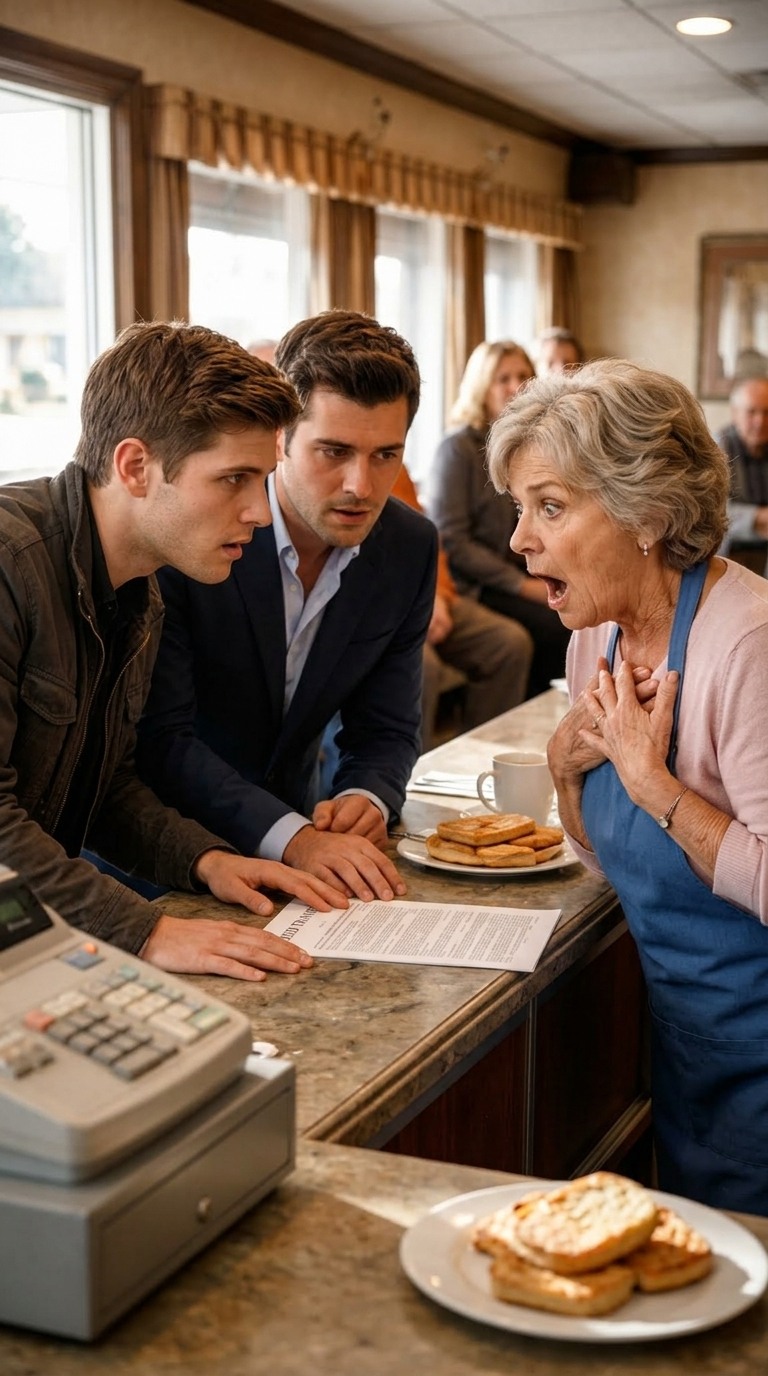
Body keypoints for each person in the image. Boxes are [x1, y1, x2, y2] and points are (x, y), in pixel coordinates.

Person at [487, 357, 768, 1216]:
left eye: (550, 506)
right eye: (518, 509)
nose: (519, 540)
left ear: (644, 510)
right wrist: (571, 779)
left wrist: (652, 783)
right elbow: (607, 864)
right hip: (686, 1039)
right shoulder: (595, 633)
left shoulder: (747, 644)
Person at [0, 320, 351, 983]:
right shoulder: (8, 564)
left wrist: (203, 860)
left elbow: (105, 787)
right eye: (234, 479)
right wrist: (145, 929)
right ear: (135, 466)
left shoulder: (140, 590)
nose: (259, 511)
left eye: (264, 479)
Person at [137, 310, 437, 902]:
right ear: (280, 438)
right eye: (334, 451)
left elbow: (388, 727)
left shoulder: (408, 546)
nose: (361, 485)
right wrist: (293, 837)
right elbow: (163, 741)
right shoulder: (192, 532)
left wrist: (367, 798)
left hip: (307, 859)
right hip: (163, 861)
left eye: (385, 455)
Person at [429, 339, 571, 697]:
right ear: (481, 387)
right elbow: (454, 542)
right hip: (475, 585)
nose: (515, 386)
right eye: (502, 378)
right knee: (552, 627)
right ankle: (522, 729)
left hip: (522, 574)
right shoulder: (457, 448)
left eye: (523, 375)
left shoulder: (529, 447)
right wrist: (524, 587)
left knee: (579, 615)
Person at [390, 464, 533, 751]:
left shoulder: (396, 468)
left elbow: (426, 540)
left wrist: (437, 594)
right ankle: (409, 779)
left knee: (508, 643)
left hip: (423, 593)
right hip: (385, 607)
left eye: (385, 453)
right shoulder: (458, 451)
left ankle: (480, 758)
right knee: (419, 666)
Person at [716, 375, 768, 566]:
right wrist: (758, 517)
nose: (760, 421)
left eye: (767, 412)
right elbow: (710, 513)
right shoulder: (716, 448)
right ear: (735, 413)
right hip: (727, 556)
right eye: (751, 412)